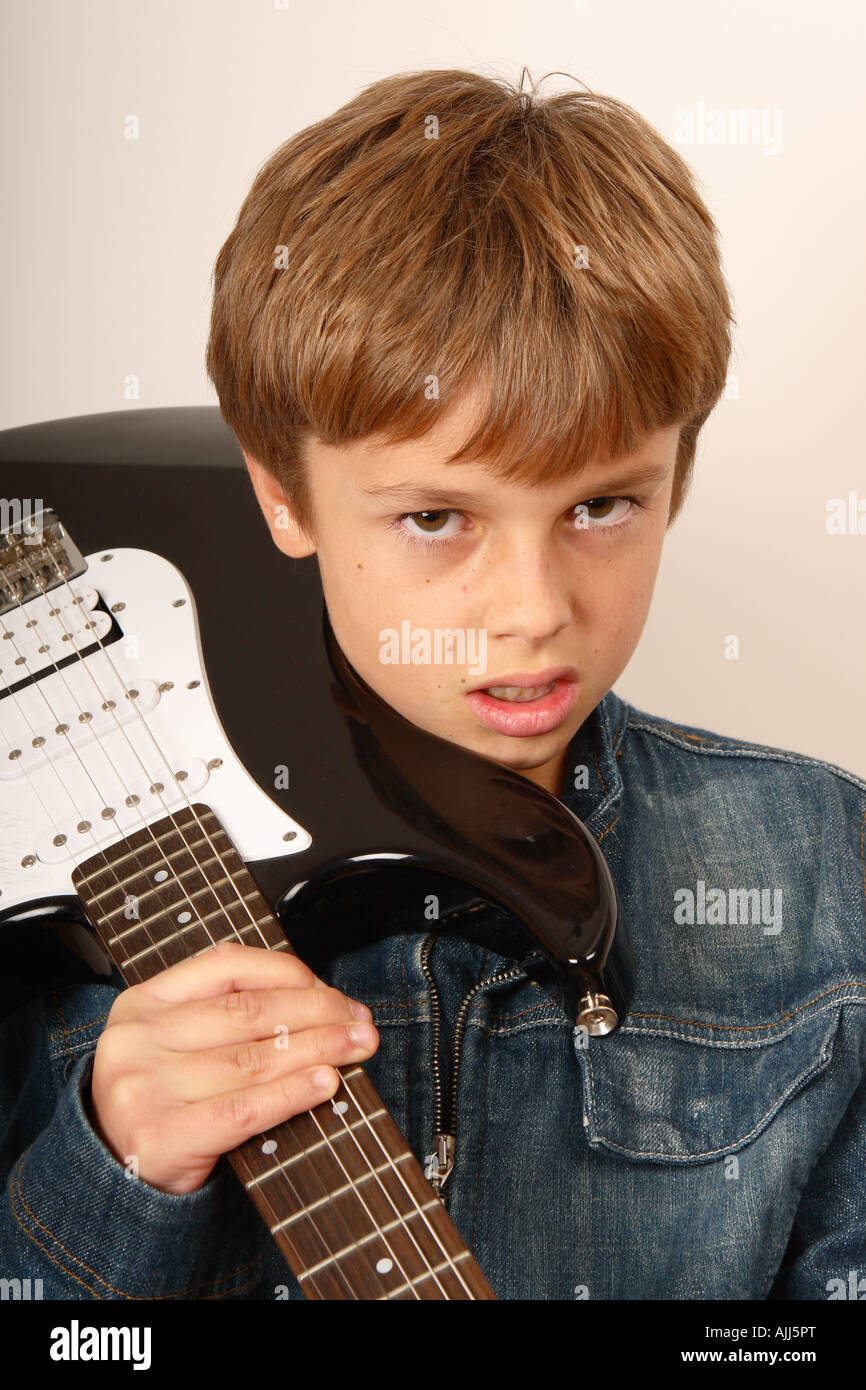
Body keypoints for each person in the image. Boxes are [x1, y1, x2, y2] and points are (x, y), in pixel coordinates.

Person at [2, 67, 864, 1301]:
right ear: (282, 495)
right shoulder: (60, 868)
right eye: (433, 518)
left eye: (600, 504)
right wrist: (113, 1175)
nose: (531, 610)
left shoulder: (828, 865)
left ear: (680, 471)